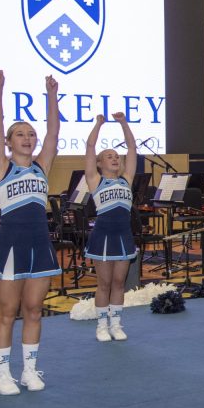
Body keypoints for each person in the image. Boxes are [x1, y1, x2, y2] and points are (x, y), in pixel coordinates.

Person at [0, 71, 61, 395]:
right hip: (10, 247)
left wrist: (52, 96)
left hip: (39, 245)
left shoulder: (42, 165)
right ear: (8, 142)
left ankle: (29, 370)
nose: (27, 138)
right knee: (7, 312)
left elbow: (54, 132)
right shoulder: (2, 166)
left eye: (30, 134)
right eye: (20, 134)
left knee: (33, 310)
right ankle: (3, 375)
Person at [84, 113, 138, 342]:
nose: (115, 159)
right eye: (109, 156)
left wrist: (124, 123)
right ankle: (101, 326)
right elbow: (89, 146)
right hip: (103, 236)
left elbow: (132, 147)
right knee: (104, 283)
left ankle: (116, 324)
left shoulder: (127, 178)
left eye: (116, 156)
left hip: (123, 236)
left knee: (118, 282)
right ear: (99, 163)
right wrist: (98, 124)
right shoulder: (95, 180)